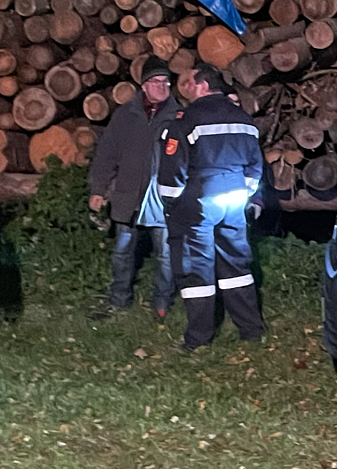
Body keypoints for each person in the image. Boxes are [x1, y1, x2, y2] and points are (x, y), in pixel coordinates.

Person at [156, 62, 266, 349]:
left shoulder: (187, 120)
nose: (187, 89)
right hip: (234, 202)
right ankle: (251, 330)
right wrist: (246, 196)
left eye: (191, 84)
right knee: (237, 267)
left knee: (197, 270)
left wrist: (171, 204)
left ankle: (198, 338)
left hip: (198, 204)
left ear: (204, 85)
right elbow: (255, 166)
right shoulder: (244, 119)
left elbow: (173, 170)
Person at [87, 55, 183, 320]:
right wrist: (98, 189)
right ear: (144, 85)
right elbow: (107, 154)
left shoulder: (178, 117)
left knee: (166, 254)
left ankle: (162, 302)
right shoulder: (125, 116)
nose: (162, 86)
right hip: (128, 196)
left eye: (165, 81)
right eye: (156, 81)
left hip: (164, 199)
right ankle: (119, 299)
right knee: (122, 251)